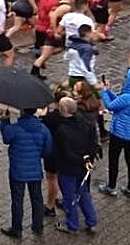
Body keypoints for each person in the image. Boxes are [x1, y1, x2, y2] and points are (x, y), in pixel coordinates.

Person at [48, 96, 100, 234]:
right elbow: (93, 143)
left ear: (63, 110)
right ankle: (91, 220)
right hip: (84, 168)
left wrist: (81, 161)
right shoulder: (87, 123)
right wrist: (87, 160)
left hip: (68, 169)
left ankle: (72, 224)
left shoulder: (62, 131)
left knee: (69, 197)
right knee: (84, 193)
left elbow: (65, 153)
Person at [0, 107, 52, 238]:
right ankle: (38, 226)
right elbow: (47, 151)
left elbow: (6, 138)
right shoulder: (43, 129)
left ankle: (17, 229)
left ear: (22, 111)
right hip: (35, 170)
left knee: (17, 200)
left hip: (17, 170)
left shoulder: (15, 128)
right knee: (37, 199)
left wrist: (5, 120)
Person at [99, 68, 130, 198]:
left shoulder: (127, 97)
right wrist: (109, 91)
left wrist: (104, 92)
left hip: (119, 134)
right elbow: (119, 102)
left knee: (113, 159)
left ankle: (111, 187)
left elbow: (110, 106)